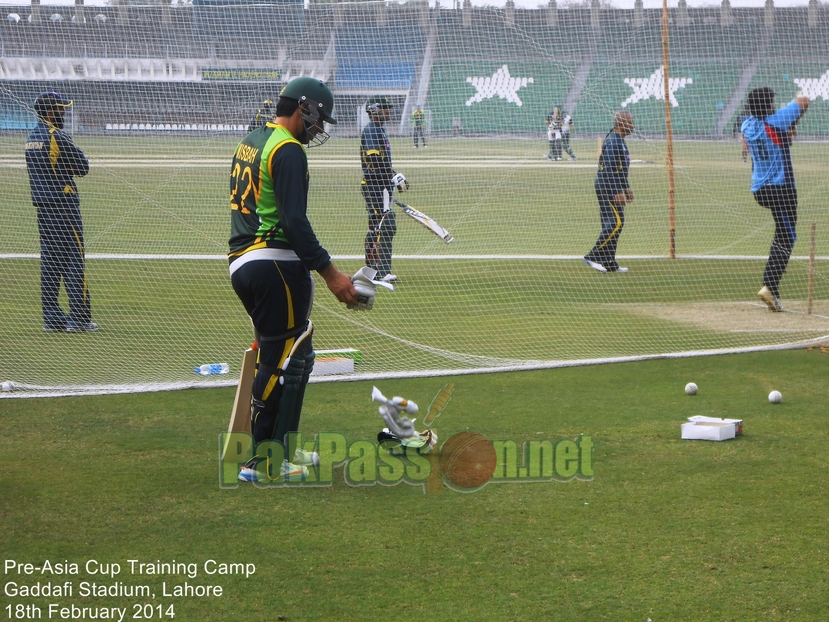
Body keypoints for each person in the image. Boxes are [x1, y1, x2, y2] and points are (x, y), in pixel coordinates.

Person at [228, 77, 360, 482]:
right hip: (275, 264)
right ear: (304, 108)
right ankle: (263, 461)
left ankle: (282, 447)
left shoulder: (253, 139)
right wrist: (330, 272)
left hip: (246, 260)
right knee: (279, 362)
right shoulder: (288, 150)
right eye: (319, 120)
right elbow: (293, 221)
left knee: (298, 356)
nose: (320, 129)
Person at [25, 91, 96, 332]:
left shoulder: (32, 137)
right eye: (60, 108)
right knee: (74, 260)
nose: (64, 111)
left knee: (50, 262)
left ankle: (52, 319)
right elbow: (83, 167)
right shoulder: (58, 136)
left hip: (43, 209)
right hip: (64, 207)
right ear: (49, 111)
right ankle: (79, 318)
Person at [741, 87, 810, 312]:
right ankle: (769, 285)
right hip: (781, 188)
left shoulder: (747, 124)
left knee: (783, 234)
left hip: (759, 188)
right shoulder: (777, 119)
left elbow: (776, 141)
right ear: (769, 105)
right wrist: (793, 121)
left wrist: (789, 128)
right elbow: (803, 100)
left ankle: (773, 287)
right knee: (788, 236)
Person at [361, 95, 408, 283]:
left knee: (381, 226)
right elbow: (373, 159)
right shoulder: (372, 130)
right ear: (374, 109)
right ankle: (379, 272)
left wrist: (394, 176)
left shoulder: (379, 130)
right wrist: (392, 175)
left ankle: (375, 270)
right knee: (382, 226)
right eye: (384, 107)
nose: (388, 110)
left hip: (383, 185)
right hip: (375, 185)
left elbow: (382, 162)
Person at [583, 111, 635, 274]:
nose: (633, 125)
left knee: (616, 223)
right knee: (615, 222)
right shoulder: (613, 141)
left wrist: (626, 187)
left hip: (613, 186)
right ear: (622, 124)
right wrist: (616, 191)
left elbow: (620, 169)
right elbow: (609, 170)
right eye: (630, 122)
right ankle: (593, 256)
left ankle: (608, 260)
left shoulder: (620, 141)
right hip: (607, 186)